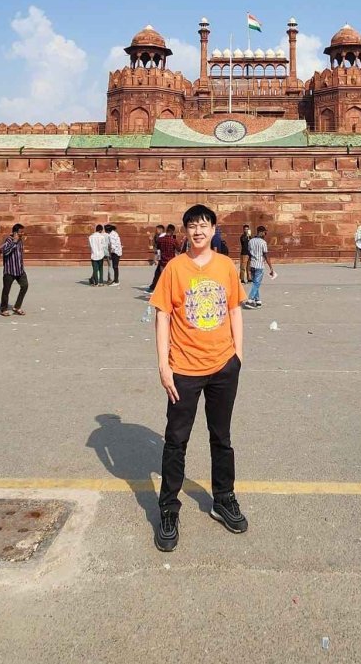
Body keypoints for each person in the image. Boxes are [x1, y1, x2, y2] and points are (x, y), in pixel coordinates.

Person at [150, 203, 246, 553]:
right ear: (185, 231)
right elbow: (161, 317)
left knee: (221, 437)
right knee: (176, 441)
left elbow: (235, 307)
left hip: (223, 365)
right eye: (192, 225)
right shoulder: (174, 269)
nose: (198, 231)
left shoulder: (225, 266)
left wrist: (239, 356)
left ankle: (224, 498)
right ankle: (168, 509)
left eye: (203, 225)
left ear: (213, 229)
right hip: (184, 369)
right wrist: (163, 365)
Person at [0, 223, 29, 316]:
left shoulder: (20, 240)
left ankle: (17, 306)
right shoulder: (9, 240)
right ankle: (3, 308)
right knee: (6, 290)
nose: (22, 234)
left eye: (23, 232)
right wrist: (14, 242)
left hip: (19, 270)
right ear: (15, 232)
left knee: (25, 286)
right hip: (10, 270)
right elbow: (6, 252)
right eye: (20, 232)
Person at [245, 226, 275, 308]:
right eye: (265, 232)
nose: (265, 234)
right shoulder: (263, 243)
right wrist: (271, 268)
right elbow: (266, 255)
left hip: (252, 264)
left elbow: (249, 255)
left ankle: (257, 300)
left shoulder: (251, 241)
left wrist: (248, 269)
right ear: (261, 232)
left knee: (255, 283)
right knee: (256, 283)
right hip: (259, 265)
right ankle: (250, 300)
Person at [148, 224, 179, 292]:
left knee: (163, 277)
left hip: (162, 261)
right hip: (171, 262)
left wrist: (156, 259)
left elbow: (158, 250)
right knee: (171, 278)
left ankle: (162, 290)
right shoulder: (173, 241)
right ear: (172, 232)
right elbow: (179, 250)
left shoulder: (160, 240)